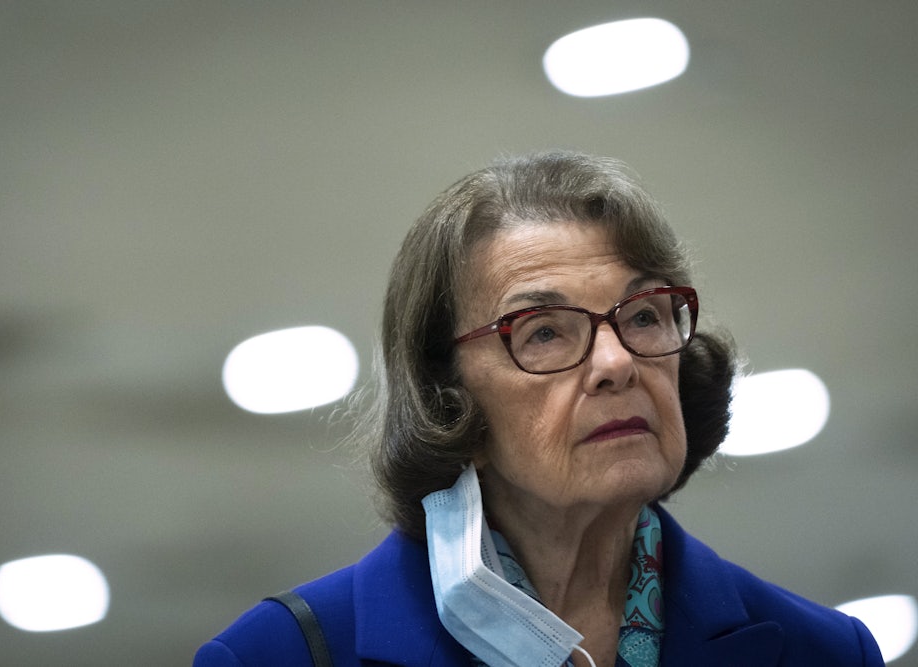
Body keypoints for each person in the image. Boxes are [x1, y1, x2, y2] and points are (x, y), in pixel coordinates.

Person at [194, 151, 884, 666]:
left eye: (644, 315)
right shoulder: (281, 654)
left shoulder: (825, 652)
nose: (616, 362)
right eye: (545, 332)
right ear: (449, 400)